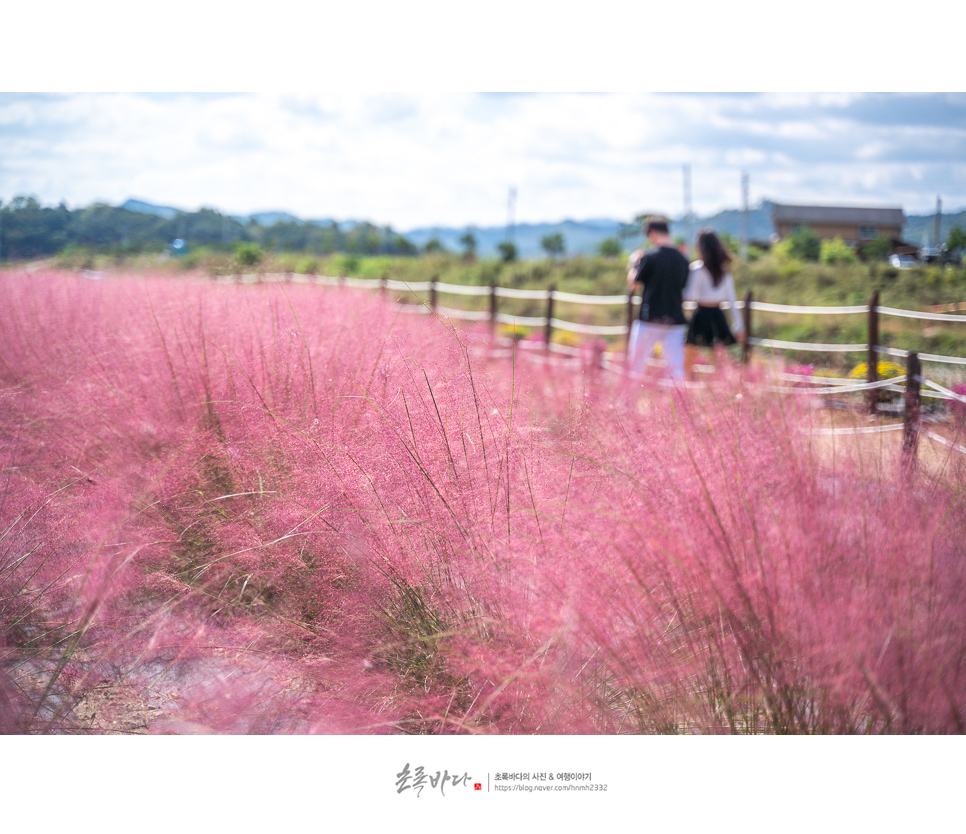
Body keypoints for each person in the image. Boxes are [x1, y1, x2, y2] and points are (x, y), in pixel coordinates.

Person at [626, 217, 689, 380]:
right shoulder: (682, 259)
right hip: (675, 320)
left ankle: (629, 404)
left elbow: (634, 284)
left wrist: (634, 264)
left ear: (652, 234)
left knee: (636, 366)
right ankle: (681, 404)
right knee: (676, 369)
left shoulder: (650, 257)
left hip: (649, 319)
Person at [683, 229, 745, 380]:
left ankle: (682, 392)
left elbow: (690, 295)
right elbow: (732, 300)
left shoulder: (698, 268)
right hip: (718, 315)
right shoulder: (724, 270)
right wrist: (740, 325)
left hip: (701, 315)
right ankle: (723, 393)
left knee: (688, 360)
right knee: (720, 363)